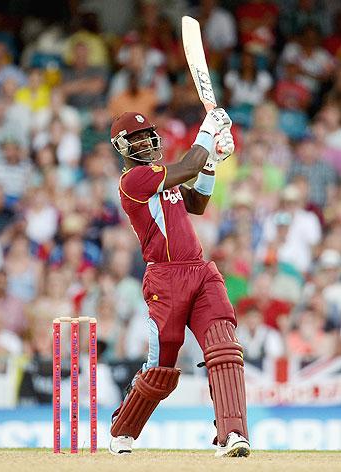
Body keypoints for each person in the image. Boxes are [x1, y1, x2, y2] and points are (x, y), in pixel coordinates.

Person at [108, 108, 250, 457]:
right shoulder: (134, 180)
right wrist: (207, 131)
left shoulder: (161, 176)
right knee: (162, 368)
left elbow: (197, 203)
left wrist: (212, 161)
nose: (144, 142)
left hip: (200, 270)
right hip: (165, 278)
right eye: (135, 139)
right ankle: (122, 431)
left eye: (146, 135)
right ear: (122, 147)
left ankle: (232, 434)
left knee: (225, 349)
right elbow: (187, 167)